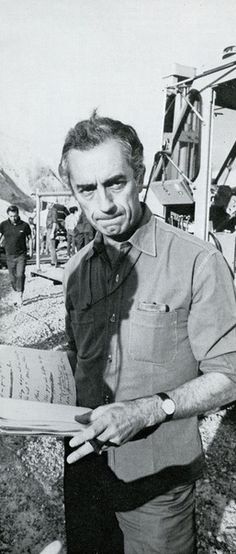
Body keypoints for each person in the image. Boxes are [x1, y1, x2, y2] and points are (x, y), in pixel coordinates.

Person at [59, 112, 236, 554]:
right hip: (84, 471)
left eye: (115, 183)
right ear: (74, 193)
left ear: (140, 176)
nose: (104, 205)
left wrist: (150, 409)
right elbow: (74, 359)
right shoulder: (75, 269)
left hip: (157, 485)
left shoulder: (198, 262)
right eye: (86, 190)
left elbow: (229, 373)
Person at [0, 205, 32, 306]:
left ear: (18, 214)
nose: (13, 218)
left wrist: (30, 251)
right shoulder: (3, 225)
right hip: (9, 255)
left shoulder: (24, 225)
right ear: (8, 215)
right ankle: (15, 292)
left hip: (21, 255)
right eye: (10, 216)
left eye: (14, 216)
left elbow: (30, 238)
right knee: (12, 277)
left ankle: (19, 295)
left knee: (20, 274)